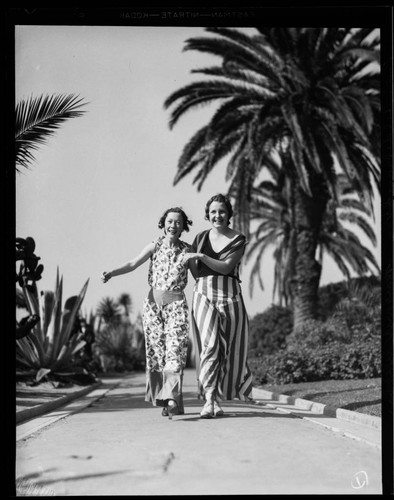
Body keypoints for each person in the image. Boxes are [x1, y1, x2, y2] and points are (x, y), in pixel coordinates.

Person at [101, 207, 193, 419]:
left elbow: (200, 277)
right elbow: (133, 264)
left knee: (175, 353)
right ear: (163, 223)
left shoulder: (188, 250)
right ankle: (167, 400)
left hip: (177, 305)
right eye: (170, 221)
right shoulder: (155, 245)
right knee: (157, 355)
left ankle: (170, 397)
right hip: (152, 306)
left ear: (183, 226)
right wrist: (112, 273)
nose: (173, 226)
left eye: (178, 222)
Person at [187, 194, 253, 418]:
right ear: (208, 214)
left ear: (229, 214)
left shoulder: (238, 239)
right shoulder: (200, 237)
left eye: (222, 211)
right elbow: (195, 273)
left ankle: (215, 398)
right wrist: (193, 259)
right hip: (203, 294)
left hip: (230, 296)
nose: (218, 215)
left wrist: (201, 257)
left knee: (228, 350)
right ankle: (209, 399)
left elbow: (226, 267)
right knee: (211, 344)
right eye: (213, 211)